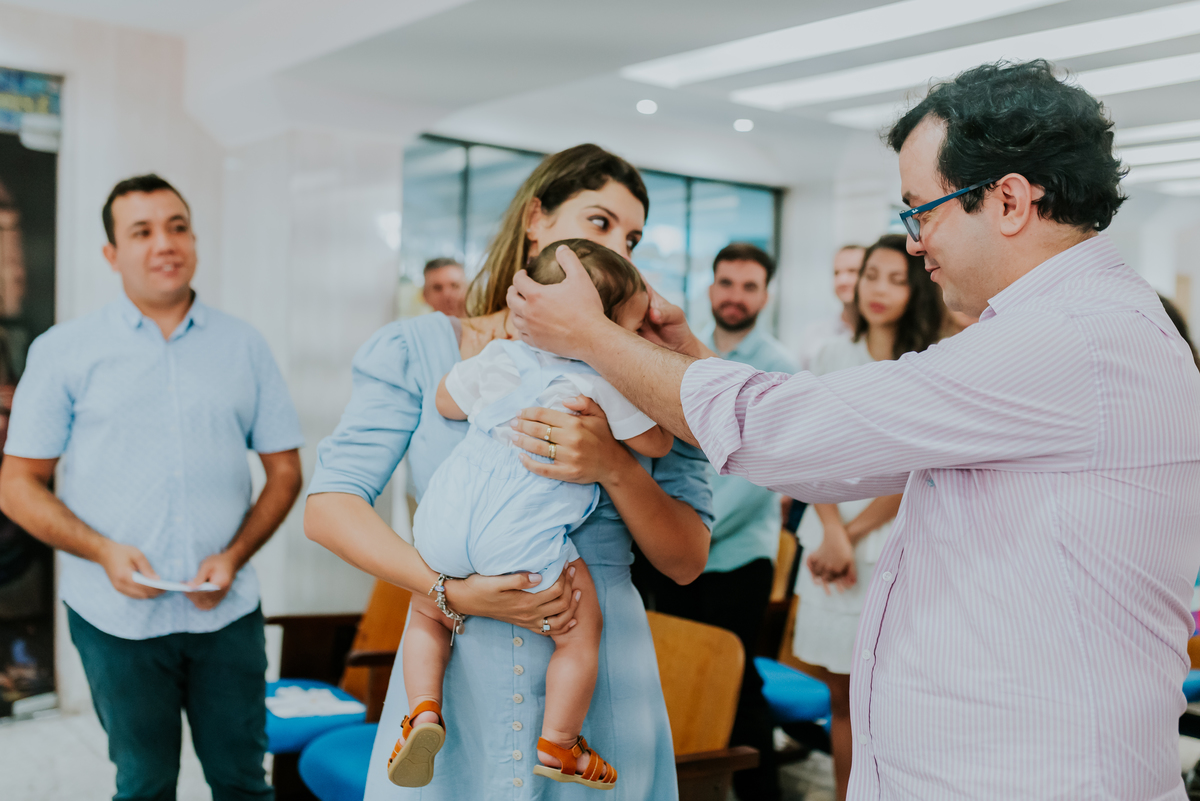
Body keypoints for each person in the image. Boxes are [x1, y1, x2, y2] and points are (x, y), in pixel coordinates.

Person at [507, 61, 1200, 799]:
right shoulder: (1081, 326)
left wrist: (594, 337)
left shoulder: (1067, 340)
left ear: (1008, 200)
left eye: (922, 210)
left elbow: (792, 434)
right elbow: (839, 440)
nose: (912, 243)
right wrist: (687, 358)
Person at [304, 143, 712, 801]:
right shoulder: (422, 349)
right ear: (536, 221)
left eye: (633, 238)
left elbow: (687, 558)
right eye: (600, 222)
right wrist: (446, 590)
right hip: (456, 669)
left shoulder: (646, 371)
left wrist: (611, 463)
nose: (621, 249)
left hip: (600, 676)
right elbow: (328, 506)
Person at [0, 174, 304, 800]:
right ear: (111, 254)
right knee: (144, 785)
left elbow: (285, 471)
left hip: (227, 614)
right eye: (141, 231)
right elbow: (18, 486)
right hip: (114, 619)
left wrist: (235, 554)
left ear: (193, 240)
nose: (164, 243)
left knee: (243, 781)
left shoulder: (244, 346)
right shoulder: (64, 351)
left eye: (177, 226)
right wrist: (103, 551)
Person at [390, 239, 671, 791]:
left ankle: (422, 713)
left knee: (427, 611)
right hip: (515, 535)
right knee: (580, 627)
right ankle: (560, 742)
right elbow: (658, 442)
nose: (633, 344)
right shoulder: (602, 382)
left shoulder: (497, 356)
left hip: (445, 515)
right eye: (629, 332)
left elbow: (446, 403)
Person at [634, 241, 794, 801]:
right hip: (677, 546)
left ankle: (760, 793)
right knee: (673, 672)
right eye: (727, 283)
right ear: (711, 287)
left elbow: (754, 483)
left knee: (737, 680)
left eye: (749, 286)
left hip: (734, 557)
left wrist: (682, 532)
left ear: (765, 295)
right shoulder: (674, 349)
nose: (736, 296)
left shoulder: (778, 365)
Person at [793, 234, 941, 801]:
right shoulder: (833, 355)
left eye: (896, 278)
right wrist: (833, 532)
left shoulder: (926, 360)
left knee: (891, 700)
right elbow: (811, 455)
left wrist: (851, 535)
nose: (878, 289)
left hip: (894, 541)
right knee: (842, 700)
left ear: (918, 287)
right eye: (870, 275)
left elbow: (914, 470)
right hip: (829, 540)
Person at [795, 245, 863, 371]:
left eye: (853, 271)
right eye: (836, 273)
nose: (842, 280)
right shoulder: (814, 334)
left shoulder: (882, 335)